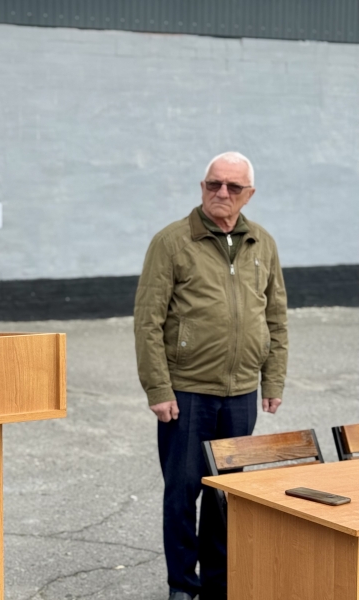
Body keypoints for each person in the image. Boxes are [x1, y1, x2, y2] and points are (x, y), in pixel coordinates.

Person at [134, 152, 288, 600]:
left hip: (241, 393)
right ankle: (183, 585)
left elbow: (276, 316)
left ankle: (219, 584)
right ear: (202, 186)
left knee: (227, 494)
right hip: (188, 391)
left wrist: (272, 380)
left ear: (249, 194)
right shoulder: (172, 242)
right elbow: (148, 320)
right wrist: (158, 388)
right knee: (183, 494)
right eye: (213, 184)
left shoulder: (262, 243)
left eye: (233, 187)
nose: (222, 193)